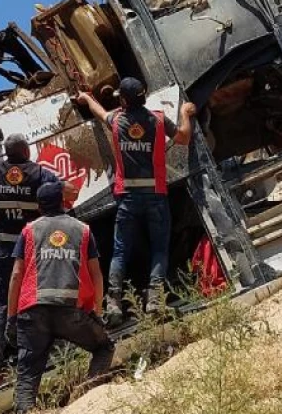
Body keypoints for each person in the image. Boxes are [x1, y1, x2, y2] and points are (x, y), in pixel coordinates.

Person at [76, 77, 196, 327]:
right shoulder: (159, 119)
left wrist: (87, 98)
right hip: (155, 196)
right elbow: (184, 138)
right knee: (159, 249)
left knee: (120, 251)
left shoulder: (118, 121)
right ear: (144, 96)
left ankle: (114, 304)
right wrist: (186, 113)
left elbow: (100, 113)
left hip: (128, 199)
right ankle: (154, 301)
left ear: (123, 100)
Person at [6, 182, 114, 414]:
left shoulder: (28, 231)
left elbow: (16, 275)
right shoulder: (83, 230)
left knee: (27, 376)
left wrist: (11, 319)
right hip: (70, 311)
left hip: (32, 311)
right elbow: (96, 275)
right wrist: (97, 311)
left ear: (38, 206)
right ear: (62, 201)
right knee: (104, 348)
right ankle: (89, 400)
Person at [0, 130, 77, 384]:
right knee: (39, 296)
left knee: (1, 304)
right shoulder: (39, 173)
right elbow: (68, 190)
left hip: (3, 248)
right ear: (27, 151)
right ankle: (52, 349)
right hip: (30, 248)